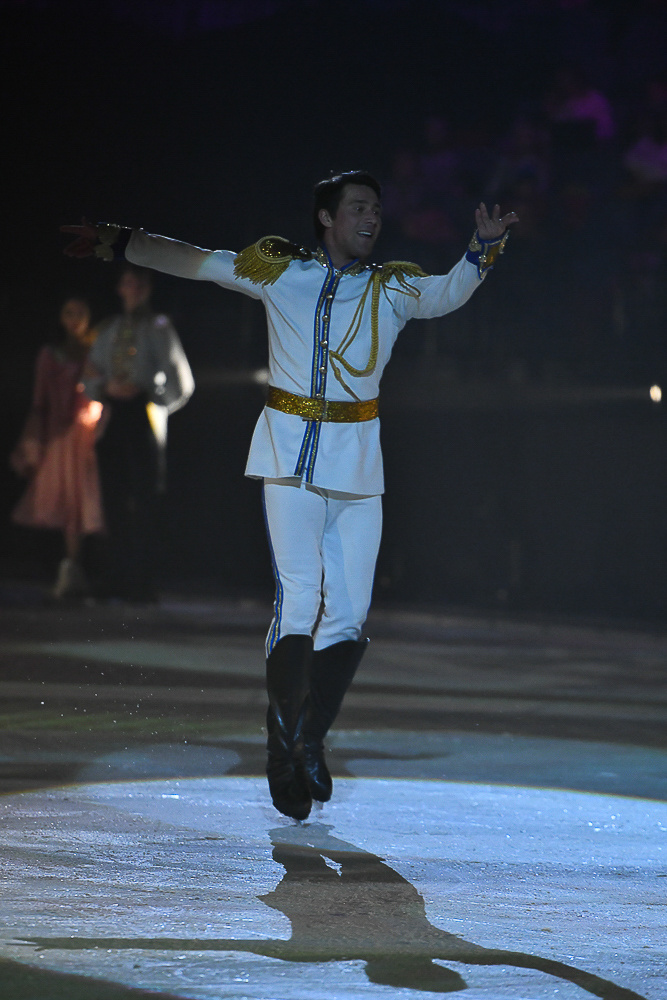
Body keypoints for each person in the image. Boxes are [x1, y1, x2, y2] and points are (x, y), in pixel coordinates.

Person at [62, 171, 517, 819]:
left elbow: (446, 293)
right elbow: (198, 261)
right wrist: (120, 241)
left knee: (350, 614)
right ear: (327, 218)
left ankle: (309, 739)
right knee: (299, 598)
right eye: (357, 207)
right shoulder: (281, 273)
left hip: (357, 466)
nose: (371, 217)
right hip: (288, 458)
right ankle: (281, 753)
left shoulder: (390, 288)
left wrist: (482, 247)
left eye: (376, 208)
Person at [82, 264, 194, 602]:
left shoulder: (158, 327)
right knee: (113, 498)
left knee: (145, 500)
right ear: (120, 288)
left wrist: (152, 397)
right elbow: (90, 373)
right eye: (128, 282)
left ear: (147, 288)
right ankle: (114, 577)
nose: (134, 289)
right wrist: (105, 388)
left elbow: (180, 381)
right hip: (113, 416)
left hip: (142, 415)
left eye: (139, 283)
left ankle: (141, 581)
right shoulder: (109, 328)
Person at [10, 297, 104, 599]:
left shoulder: (97, 351)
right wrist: (34, 439)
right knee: (63, 502)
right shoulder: (51, 354)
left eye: (80, 312)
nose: (74, 319)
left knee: (82, 503)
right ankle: (67, 569)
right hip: (58, 436)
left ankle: (78, 570)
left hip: (86, 434)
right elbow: (40, 401)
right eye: (69, 313)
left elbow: (99, 395)